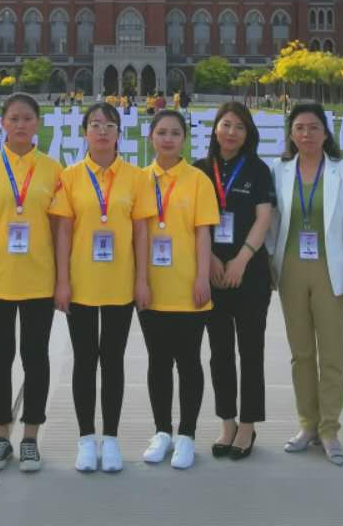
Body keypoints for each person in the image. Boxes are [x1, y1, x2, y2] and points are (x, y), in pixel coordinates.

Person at [48, 102, 150, 474]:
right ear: (85, 132)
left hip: (120, 283)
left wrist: (141, 279)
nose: (102, 131)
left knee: (113, 361)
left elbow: (141, 232)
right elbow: (63, 233)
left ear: (120, 132)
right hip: (81, 283)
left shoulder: (136, 177)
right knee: (84, 361)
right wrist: (62, 281)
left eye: (109, 125)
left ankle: (111, 439)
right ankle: (85, 439)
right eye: (95, 124)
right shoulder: (71, 176)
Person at [0, 93, 62, 473]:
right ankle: (0, 436)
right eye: (14, 118)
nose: (20, 125)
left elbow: (60, 230)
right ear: (2, 123)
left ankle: (31, 438)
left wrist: (62, 280)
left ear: (38, 123)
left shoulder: (53, 170)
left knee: (36, 358)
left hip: (39, 280)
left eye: (27, 118)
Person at [270, 101, 343, 467]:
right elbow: (272, 221)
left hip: (330, 268)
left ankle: (329, 429)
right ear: (291, 135)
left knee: (331, 353)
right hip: (291, 269)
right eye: (299, 128)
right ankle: (307, 425)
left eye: (313, 127)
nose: (306, 134)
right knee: (301, 353)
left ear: (326, 133)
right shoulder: (279, 170)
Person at [134, 109, 218, 470]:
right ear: (150, 137)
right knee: (158, 362)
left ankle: (187, 434)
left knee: (189, 362)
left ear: (185, 139)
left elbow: (203, 233)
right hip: (152, 288)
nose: (168, 139)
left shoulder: (198, 180)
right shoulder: (139, 180)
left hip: (188, 287)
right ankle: (162, 432)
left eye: (175, 133)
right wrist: (140, 280)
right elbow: (137, 234)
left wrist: (202, 277)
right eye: (161, 132)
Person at [195, 101, 274, 461]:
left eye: (239, 127)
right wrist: (211, 259)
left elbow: (263, 219)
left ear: (248, 134)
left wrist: (241, 260)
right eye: (226, 125)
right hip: (211, 272)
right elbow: (193, 223)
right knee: (219, 352)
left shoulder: (258, 170)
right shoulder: (199, 170)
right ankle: (227, 422)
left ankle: (247, 425)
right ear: (215, 128)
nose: (231, 132)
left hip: (249, 274)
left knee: (251, 351)